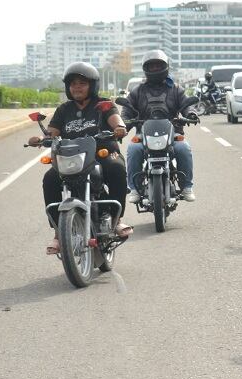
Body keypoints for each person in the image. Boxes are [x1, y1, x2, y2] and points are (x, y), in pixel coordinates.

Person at [27, 62, 132, 255]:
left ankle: (117, 220)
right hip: (73, 157)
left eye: (82, 83)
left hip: (102, 154)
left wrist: (119, 128)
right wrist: (41, 139)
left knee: (116, 168)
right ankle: (58, 233)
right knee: (50, 179)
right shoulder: (64, 109)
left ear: (92, 85)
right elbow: (52, 132)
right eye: (73, 84)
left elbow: (116, 120)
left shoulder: (103, 104)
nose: (77, 87)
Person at [124, 50, 198, 203]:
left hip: (173, 133)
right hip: (143, 134)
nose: (155, 69)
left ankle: (186, 187)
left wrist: (190, 114)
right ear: (146, 69)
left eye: (158, 66)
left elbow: (186, 105)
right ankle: (134, 188)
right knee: (133, 149)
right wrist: (124, 121)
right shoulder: (138, 91)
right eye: (152, 66)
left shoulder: (176, 89)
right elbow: (127, 110)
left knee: (183, 148)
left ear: (166, 67)